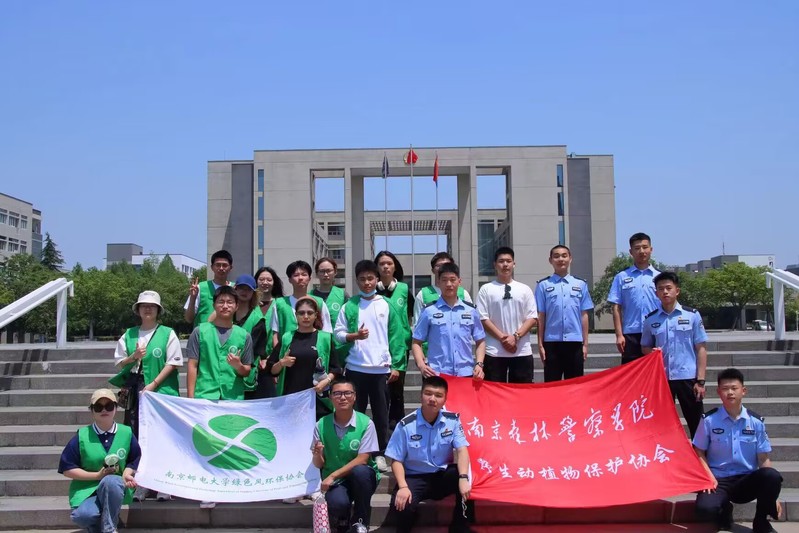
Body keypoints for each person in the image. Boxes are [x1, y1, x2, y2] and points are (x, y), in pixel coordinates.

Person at [334, 259, 407, 473]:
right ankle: (353, 453)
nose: (367, 283)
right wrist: (353, 336)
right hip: (355, 368)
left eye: (370, 278)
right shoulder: (350, 305)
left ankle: (380, 453)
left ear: (377, 279)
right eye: (362, 279)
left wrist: (396, 365)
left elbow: (397, 338)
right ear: (356, 281)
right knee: (353, 414)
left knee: (381, 415)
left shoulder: (387, 304)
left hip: (381, 370)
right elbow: (338, 334)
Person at [110, 290, 181, 502]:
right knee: (138, 434)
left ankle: (164, 483)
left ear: (158, 310)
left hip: (160, 390)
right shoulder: (129, 334)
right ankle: (142, 481)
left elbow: (173, 362)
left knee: (163, 435)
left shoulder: (168, 333)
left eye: (152, 306)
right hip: (135, 388)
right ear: (138, 310)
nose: (147, 309)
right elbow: (119, 362)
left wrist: (153, 384)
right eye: (143, 306)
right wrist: (133, 356)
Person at [693, 368, 783, 533]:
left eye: (734, 388)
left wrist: (773, 496)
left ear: (743, 391)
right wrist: (708, 477)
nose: (730, 393)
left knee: (772, 476)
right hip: (718, 480)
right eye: (725, 389)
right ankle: (724, 511)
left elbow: (763, 458)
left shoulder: (756, 422)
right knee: (705, 509)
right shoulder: (709, 420)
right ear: (719, 392)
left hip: (745, 480)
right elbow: (698, 451)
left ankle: (761, 522)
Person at [385, 376, 474, 533]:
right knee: (402, 506)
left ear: (445, 399)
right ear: (421, 396)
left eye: (438, 395)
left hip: (441, 475)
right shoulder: (406, 425)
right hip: (414, 477)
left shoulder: (452, 421)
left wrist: (463, 478)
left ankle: (460, 527)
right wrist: (403, 486)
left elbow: (462, 450)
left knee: (467, 480)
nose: (432, 399)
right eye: (428, 393)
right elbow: (396, 460)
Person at [58, 389, 139, 533]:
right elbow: (67, 468)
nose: (104, 410)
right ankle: (97, 525)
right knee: (82, 516)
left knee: (110, 481)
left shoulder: (126, 433)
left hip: (115, 486)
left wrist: (126, 474)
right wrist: (97, 475)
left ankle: (109, 529)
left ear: (115, 408)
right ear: (92, 411)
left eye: (109, 406)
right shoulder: (82, 435)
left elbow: (134, 459)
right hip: (87, 489)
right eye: (98, 407)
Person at [642, 271, 708, 438]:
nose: (665, 292)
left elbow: (701, 348)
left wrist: (700, 381)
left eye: (668, 288)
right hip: (663, 379)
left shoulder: (692, 315)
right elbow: (645, 346)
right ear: (656, 293)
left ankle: (699, 454)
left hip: (688, 377)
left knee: (696, 423)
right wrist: (651, 352)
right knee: (662, 424)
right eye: (660, 289)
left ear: (677, 291)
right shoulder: (651, 319)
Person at [312, 377, 379, 533]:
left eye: (347, 393)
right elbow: (319, 464)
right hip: (337, 481)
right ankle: (343, 519)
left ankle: (360, 522)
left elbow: (363, 459)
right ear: (330, 397)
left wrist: (333, 476)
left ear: (354, 397)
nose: (342, 397)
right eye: (337, 394)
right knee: (337, 503)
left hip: (361, 478)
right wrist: (317, 454)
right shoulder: (321, 424)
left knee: (361, 472)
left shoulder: (366, 423)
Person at [269, 297, 340, 419]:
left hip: (318, 399)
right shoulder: (287, 337)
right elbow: (271, 370)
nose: (306, 316)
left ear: (316, 315)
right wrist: (281, 363)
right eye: (301, 313)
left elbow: (336, 368)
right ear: (296, 315)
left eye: (309, 313)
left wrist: (326, 381)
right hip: (290, 399)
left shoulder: (326, 338)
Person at [413, 263, 487, 379]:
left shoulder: (470, 311)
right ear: (438, 282)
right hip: (437, 373)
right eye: (444, 280)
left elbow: (480, 341)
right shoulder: (429, 311)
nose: (449, 284)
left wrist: (479, 364)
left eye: (453, 280)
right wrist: (421, 365)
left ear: (459, 281)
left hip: (465, 373)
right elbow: (416, 342)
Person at [476, 247, 538, 383]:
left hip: (522, 352)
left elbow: (532, 318)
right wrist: (503, 339)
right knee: (494, 393)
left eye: (508, 261)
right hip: (494, 352)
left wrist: (515, 337)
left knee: (522, 393)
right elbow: (483, 318)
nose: (505, 264)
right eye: (501, 261)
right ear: (495, 265)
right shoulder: (486, 289)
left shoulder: (524, 289)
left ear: (514, 264)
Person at [535, 245, 594, 382]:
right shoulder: (543, 285)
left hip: (575, 342)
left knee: (575, 385)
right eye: (556, 256)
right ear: (550, 260)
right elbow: (541, 316)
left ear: (570, 259)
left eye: (564, 256)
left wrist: (585, 344)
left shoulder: (580, 284)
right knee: (552, 385)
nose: (560, 259)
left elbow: (584, 315)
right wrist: (540, 345)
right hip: (552, 342)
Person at [607, 232, 660, 364]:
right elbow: (616, 307)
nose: (641, 251)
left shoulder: (660, 277)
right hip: (631, 334)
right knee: (631, 373)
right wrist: (619, 335)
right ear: (631, 252)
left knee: (655, 371)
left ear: (651, 249)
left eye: (645, 247)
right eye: (637, 248)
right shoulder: (621, 277)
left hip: (656, 331)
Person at [374, 250, 412, 429]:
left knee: (397, 390)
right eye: (381, 264)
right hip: (378, 345)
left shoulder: (403, 289)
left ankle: (397, 426)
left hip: (400, 346)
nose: (385, 267)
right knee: (381, 391)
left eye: (389, 263)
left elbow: (410, 313)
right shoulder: (372, 290)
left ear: (395, 267)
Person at [271, 260, 333, 348]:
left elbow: (327, 330)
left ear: (309, 278)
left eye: (304, 274)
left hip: (314, 351)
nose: (300, 278)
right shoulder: (279, 304)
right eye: (296, 275)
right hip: (287, 352)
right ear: (289, 280)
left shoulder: (319, 302)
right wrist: (278, 354)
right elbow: (275, 334)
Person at [248, 266, 284, 399]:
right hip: (250, 361)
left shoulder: (280, 304)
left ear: (274, 282)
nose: (265, 282)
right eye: (261, 279)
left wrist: (273, 359)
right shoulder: (249, 304)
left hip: (272, 361)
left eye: (269, 279)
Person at [412, 252, 473, 326]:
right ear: (433, 270)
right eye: (439, 265)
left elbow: (472, 321)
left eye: (446, 264)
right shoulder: (422, 294)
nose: (443, 268)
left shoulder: (463, 293)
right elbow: (418, 324)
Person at [184, 249, 233, 326]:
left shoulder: (235, 289)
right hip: (203, 333)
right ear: (212, 267)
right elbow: (188, 319)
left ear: (230, 268)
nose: (221, 268)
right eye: (218, 265)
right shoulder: (200, 288)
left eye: (224, 265)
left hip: (228, 333)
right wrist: (193, 299)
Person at [311, 257, 349, 326]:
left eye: (329, 271)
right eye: (322, 271)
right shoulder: (310, 296)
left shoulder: (343, 295)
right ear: (316, 273)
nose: (326, 274)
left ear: (335, 272)